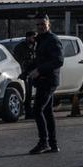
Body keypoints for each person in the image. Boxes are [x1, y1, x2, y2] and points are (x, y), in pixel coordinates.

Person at [25, 16, 63, 154]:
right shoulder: (41, 40)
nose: (40, 26)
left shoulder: (52, 40)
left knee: (37, 110)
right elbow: (40, 60)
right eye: (38, 24)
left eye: (43, 24)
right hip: (42, 80)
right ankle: (52, 144)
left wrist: (40, 70)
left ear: (48, 24)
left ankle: (44, 142)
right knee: (47, 112)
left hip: (48, 80)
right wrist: (27, 71)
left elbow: (58, 61)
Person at [12, 30, 37, 110]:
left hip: (33, 72)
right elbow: (17, 60)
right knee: (27, 93)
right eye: (33, 37)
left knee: (33, 93)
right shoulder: (20, 47)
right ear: (28, 37)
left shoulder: (35, 46)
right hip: (24, 72)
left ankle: (30, 110)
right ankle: (27, 110)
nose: (35, 39)